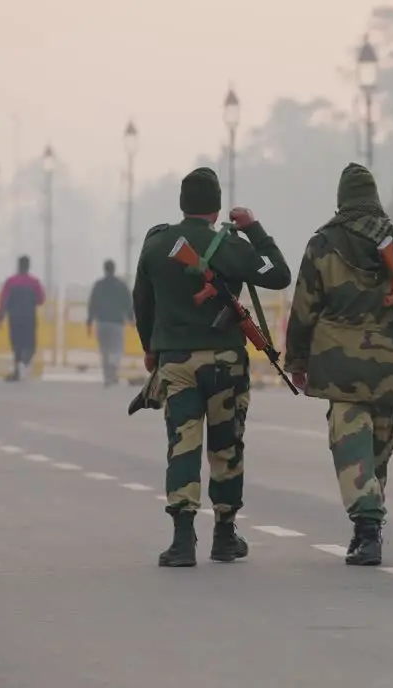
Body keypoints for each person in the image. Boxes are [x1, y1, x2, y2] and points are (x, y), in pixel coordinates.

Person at [283, 163, 393, 567]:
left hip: (339, 367)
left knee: (351, 451)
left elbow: (303, 309)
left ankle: (367, 526)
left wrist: (297, 361)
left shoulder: (323, 244)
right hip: (389, 364)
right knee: (377, 454)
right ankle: (368, 530)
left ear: (342, 200)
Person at [132, 167, 292, 568]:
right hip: (224, 361)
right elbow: (279, 275)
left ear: (182, 203)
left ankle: (183, 540)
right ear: (217, 206)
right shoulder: (230, 245)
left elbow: (142, 300)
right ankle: (224, 535)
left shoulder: (156, 244)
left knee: (182, 445)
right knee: (227, 446)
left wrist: (150, 348)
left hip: (177, 361)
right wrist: (255, 230)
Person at [0, 256, 46, 382]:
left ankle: (17, 372)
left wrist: (0, 316)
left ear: (18, 266)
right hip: (29, 318)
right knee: (30, 344)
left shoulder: (10, 282)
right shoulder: (34, 282)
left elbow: (3, 300)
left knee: (16, 345)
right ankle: (25, 359)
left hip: (14, 318)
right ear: (28, 266)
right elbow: (41, 300)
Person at [86, 259, 135, 387]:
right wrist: (131, 319)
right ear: (114, 269)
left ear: (104, 269)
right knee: (117, 349)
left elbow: (92, 304)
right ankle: (113, 369)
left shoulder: (98, 285)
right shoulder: (121, 285)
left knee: (104, 350)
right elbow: (128, 303)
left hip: (102, 323)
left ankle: (107, 377)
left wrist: (89, 321)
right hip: (117, 323)